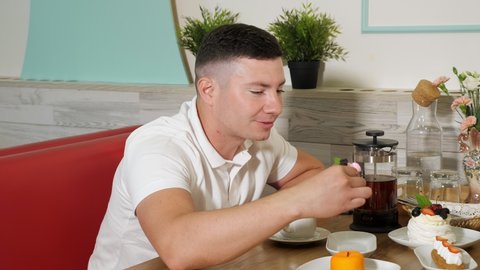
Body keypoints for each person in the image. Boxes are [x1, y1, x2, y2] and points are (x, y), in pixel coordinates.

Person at [88, 23, 371, 270]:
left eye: (279, 90)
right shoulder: (158, 146)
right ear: (208, 90)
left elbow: (306, 174)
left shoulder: (259, 138)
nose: (276, 106)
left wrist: (316, 193)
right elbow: (178, 248)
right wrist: (297, 202)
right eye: (258, 91)